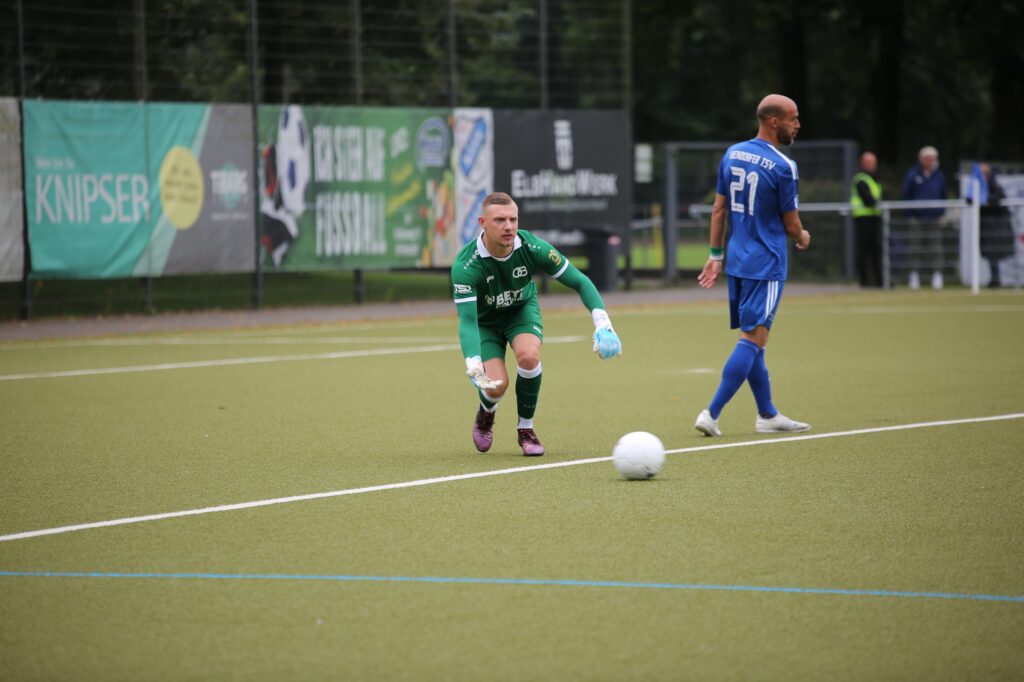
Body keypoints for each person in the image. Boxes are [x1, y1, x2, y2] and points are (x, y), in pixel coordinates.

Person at [451, 191, 622, 456]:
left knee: (529, 356)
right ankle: (486, 413)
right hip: (485, 324)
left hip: (521, 311)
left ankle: (526, 430)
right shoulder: (466, 266)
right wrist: (472, 363)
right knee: (496, 385)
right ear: (482, 222)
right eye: (500, 220)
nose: (508, 227)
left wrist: (603, 324)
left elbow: (580, 281)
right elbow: (468, 321)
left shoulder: (533, 247)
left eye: (513, 219)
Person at [693, 94, 812, 438]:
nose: (798, 124)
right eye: (794, 118)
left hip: (739, 261)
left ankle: (767, 414)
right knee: (753, 338)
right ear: (775, 122)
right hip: (767, 262)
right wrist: (803, 236)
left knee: (757, 339)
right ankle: (711, 412)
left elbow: (719, 210)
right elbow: (791, 226)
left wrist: (716, 255)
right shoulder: (783, 166)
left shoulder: (732, 153)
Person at [901, 146, 947, 290]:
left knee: (936, 248)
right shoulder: (913, 174)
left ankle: (937, 276)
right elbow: (906, 194)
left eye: (932, 159)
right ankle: (914, 276)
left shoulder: (939, 175)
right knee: (914, 247)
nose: (930, 161)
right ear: (921, 160)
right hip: (916, 217)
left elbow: (943, 195)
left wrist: (940, 211)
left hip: (934, 217)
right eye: (927, 159)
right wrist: (910, 213)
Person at [850, 151, 883, 287]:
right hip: (863, 218)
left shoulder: (874, 178)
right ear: (862, 163)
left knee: (876, 250)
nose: (872, 165)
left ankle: (880, 281)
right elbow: (869, 199)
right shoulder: (860, 179)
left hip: (874, 217)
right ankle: (864, 281)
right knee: (863, 251)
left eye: (873, 162)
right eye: (869, 162)